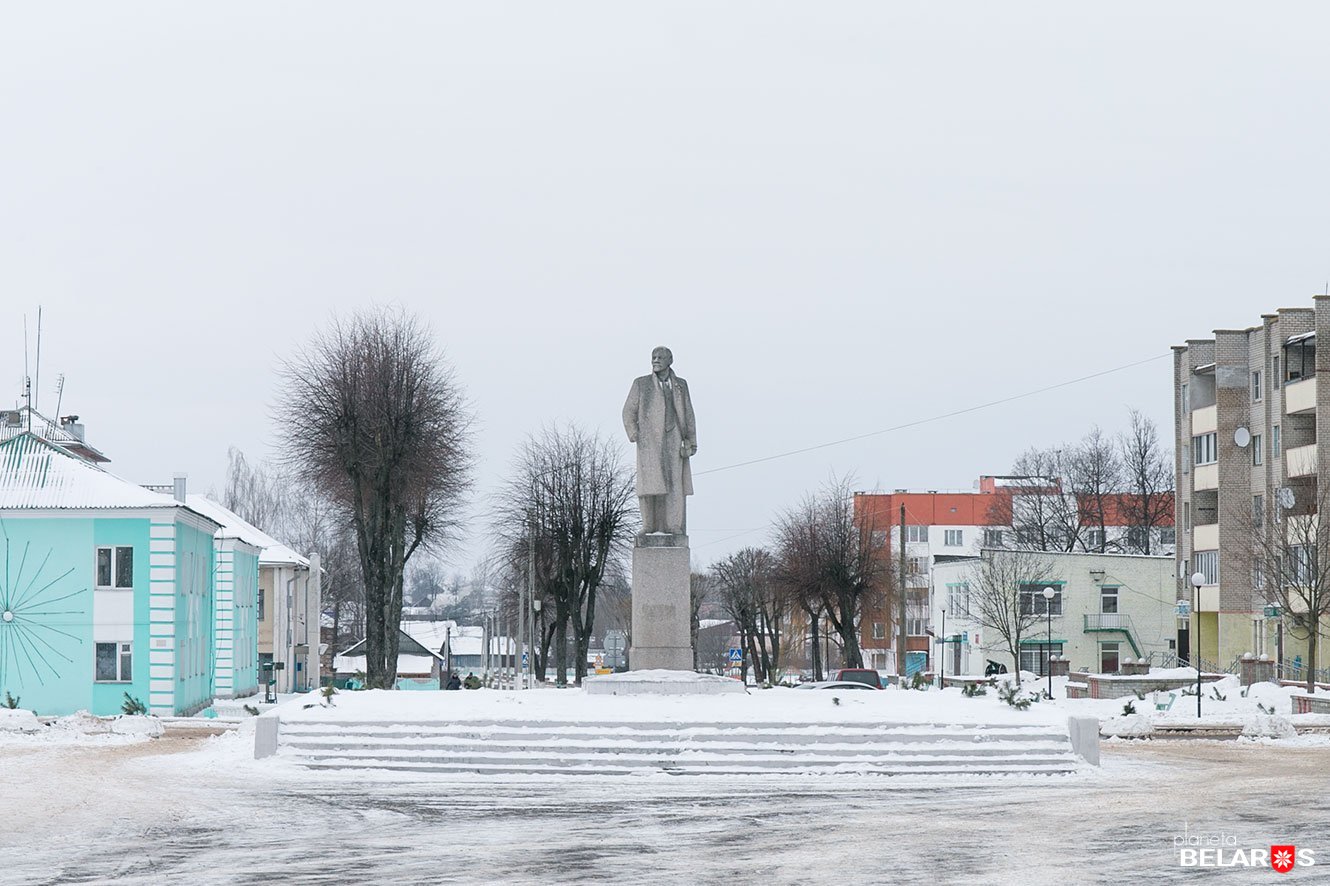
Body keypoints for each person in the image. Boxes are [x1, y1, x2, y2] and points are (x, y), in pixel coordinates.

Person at [622, 346, 697, 535]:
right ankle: (649, 525)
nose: (655, 360)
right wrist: (635, 434)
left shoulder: (681, 385)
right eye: (653, 357)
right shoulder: (641, 384)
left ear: (670, 360)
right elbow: (628, 411)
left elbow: (688, 414)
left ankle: (673, 525)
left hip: (674, 438)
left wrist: (691, 440)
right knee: (650, 484)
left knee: (674, 484)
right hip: (649, 441)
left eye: (660, 357)